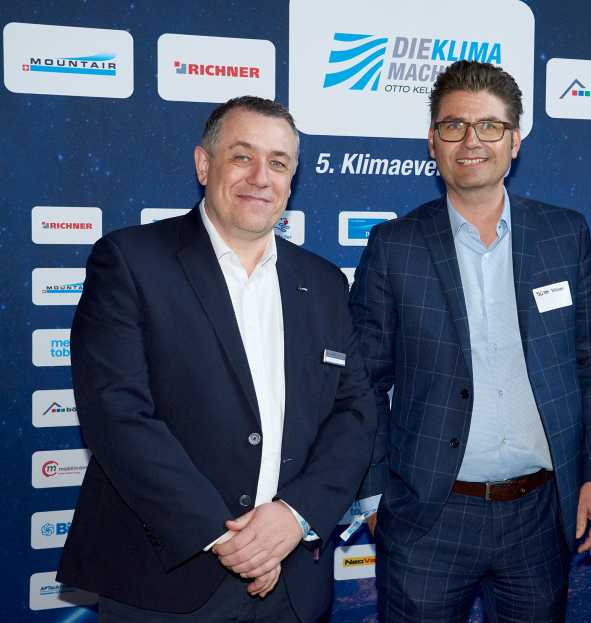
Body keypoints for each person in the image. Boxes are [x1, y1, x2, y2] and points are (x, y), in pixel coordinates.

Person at [57, 96, 376, 622]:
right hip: (167, 581)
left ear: (292, 179)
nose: (261, 177)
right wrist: (230, 541)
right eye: (242, 156)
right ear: (204, 164)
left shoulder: (322, 282)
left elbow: (354, 412)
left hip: (292, 583)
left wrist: (294, 516)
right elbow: (116, 414)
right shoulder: (131, 261)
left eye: (278, 163)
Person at [349, 60, 591, 622]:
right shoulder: (393, 246)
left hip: (540, 514)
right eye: (454, 126)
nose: (471, 141)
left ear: (514, 141)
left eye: (489, 126)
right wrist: (374, 498)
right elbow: (364, 382)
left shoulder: (564, 234)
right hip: (427, 517)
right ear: (432, 141)